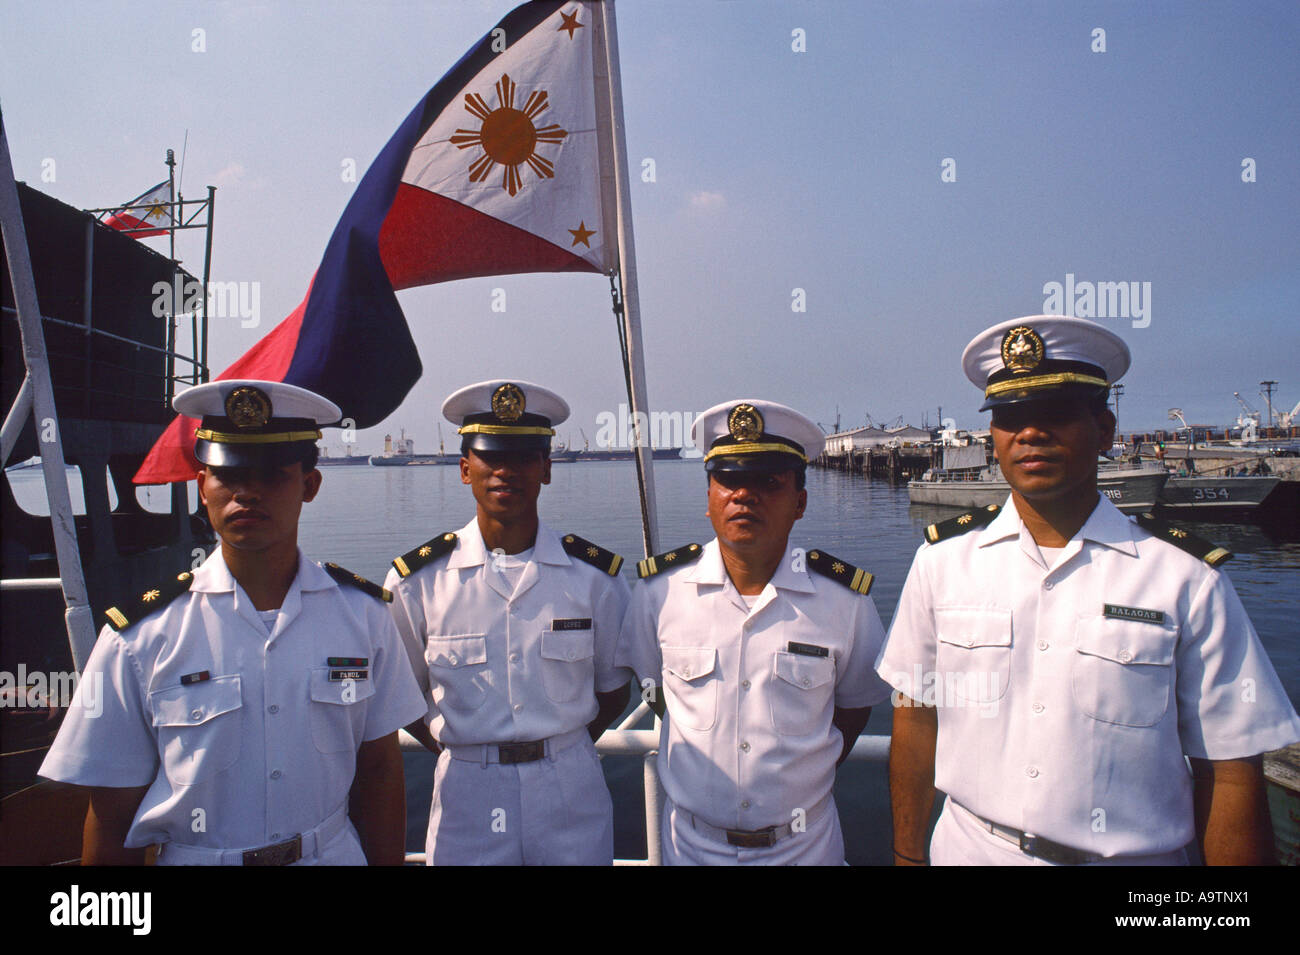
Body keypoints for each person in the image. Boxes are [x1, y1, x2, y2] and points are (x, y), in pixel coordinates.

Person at [879, 316, 1300, 866]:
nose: (1031, 433)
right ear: (993, 438)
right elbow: (916, 716)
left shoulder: (1185, 578)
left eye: (1055, 414)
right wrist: (908, 857)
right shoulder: (941, 563)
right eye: (1010, 417)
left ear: (1104, 430)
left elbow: (1230, 768)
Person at [40, 380, 426, 865]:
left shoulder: (364, 616)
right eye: (229, 474)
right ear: (203, 487)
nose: (247, 492)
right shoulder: (138, 638)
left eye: (270, 475)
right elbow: (113, 815)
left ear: (309, 485)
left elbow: (380, 772)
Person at [616, 400, 892, 865]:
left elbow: (853, 709)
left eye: (768, 482)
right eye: (728, 480)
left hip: (805, 848)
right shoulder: (659, 594)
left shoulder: (846, 603)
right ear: (708, 498)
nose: (744, 496)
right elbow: (654, 690)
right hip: (692, 849)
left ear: (800, 502)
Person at [385, 379, 630, 865]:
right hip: (467, 796)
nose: (504, 470)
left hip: (569, 791)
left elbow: (612, 691)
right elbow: (402, 696)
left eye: (522, 457)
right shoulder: (418, 582)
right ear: (463, 468)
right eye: (489, 456)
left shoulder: (593, 578)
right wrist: (465, 749)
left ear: (545, 468)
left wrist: (559, 744)